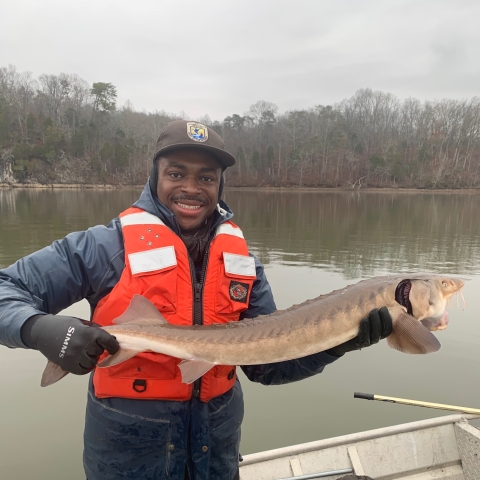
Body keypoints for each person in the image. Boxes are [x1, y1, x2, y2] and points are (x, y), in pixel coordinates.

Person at [0, 120, 392, 480]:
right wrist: (39, 329)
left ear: (220, 186)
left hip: (216, 453)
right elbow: (6, 290)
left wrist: (342, 340)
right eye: (176, 174)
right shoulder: (101, 247)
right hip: (126, 456)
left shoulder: (242, 262)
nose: (191, 188)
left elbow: (270, 366)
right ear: (154, 177)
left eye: (206, 177)